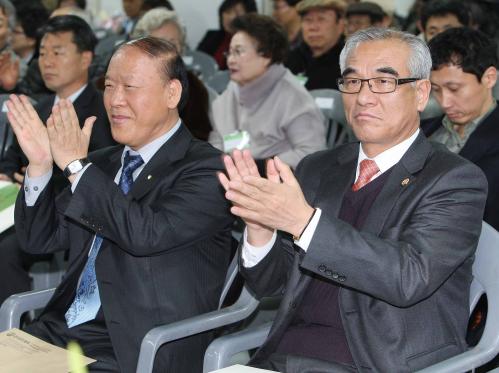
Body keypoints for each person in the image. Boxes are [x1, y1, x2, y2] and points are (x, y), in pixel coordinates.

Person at [218, 28, 487, 372]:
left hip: (376, 360)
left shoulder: (453, 179)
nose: (364, 97)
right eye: (353, 81)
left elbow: (408, 278)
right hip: (285, 355)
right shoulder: (319, 167)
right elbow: (272, 283)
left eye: (383, 82)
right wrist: (259, 230)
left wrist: (303, 222)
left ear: (421, 93)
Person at [9, 36, 233, 372]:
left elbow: (145, 235)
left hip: (137, 343)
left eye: (130, 87)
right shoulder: (101, 164)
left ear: (172, 93)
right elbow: (39, 240)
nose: (114, 100)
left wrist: (74, 166)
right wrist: (40, 166)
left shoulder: (209, 169)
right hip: (59, 330)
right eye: (109, 86)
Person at [0, 15, 115, 306]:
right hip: (20, 202)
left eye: (57, 52)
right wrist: (9, 174)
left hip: (64, 212)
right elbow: (11, 157)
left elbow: (101, 168)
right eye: (41, 53)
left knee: (5, 250)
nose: (47, 61)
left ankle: (17, 326)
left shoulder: (101, 111)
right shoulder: (39, 106)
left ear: (85, 58)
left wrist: (43, 173)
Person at [209, 14, 325, 170]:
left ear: (267, 56)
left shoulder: (293, 97)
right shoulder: (232, 89)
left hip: (276, 183)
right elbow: (216, 139)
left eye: (238, 52)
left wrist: (262, 167)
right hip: (229, 176)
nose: (230, 60)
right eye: (229, 52)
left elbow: (311, 153)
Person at [423, 27, 499, 230]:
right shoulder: (423, 130)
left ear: (489, 78)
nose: (445, 102)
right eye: (436, 90)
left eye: (454, 89)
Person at [132, 7, 212, 140]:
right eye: (160, 44)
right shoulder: (127, 85)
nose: (168, 50)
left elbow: (200, 137)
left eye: (173, 43)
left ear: (182, 47)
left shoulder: (196, 89)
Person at [286, 0, 346, 90]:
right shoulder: (289, 60)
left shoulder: (350, 61)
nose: (313, 27)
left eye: (321, 19)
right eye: (308, 20)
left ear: (340, 26)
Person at [197, 0, 257, 70]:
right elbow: (197, 61)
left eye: (237, 13)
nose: (231, 18)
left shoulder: (253, 43)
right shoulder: (211, 36)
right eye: (228, 12)